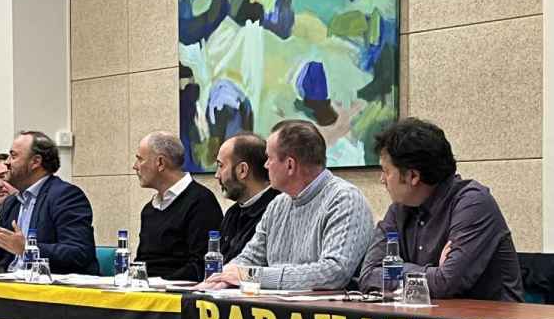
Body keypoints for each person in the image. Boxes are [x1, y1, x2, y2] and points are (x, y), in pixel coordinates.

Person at [357, 117, 523, 301]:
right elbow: (367, 276)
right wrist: (432, 272)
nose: (382, 180)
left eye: (386, 171)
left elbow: (446, 284)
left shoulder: (473, 203)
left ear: (413, 176)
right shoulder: (399, 210)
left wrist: (396, 270)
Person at [200, 119, 374, 290]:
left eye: (269, 158)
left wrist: (252, 276)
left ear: (290, 165)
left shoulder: (345, 199)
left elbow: (334, 272)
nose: (265, 165)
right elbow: (249, 258)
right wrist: (220, 280)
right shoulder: (277, 204)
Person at [0, 130, 98, 274]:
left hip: (51, 290)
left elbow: (79, 253)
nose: (7, 162)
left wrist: (27, 248)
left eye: (13, 156)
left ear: (35, 161)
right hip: (14, 286)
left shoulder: (65, 196)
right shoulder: (12, 203)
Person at [133, 131, 222, 281]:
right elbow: (143, 262)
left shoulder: (201, 202)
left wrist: (157, 283)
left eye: (140, 160)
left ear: (160, 163)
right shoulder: (149, 210)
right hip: (147, 294)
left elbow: (200, 267)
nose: (134, 167)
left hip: (178, 297)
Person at [214, 134, 278, 262]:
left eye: (221, 166)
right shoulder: (232, 213)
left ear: (242, 170)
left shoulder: (277, 211)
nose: (217, 175)